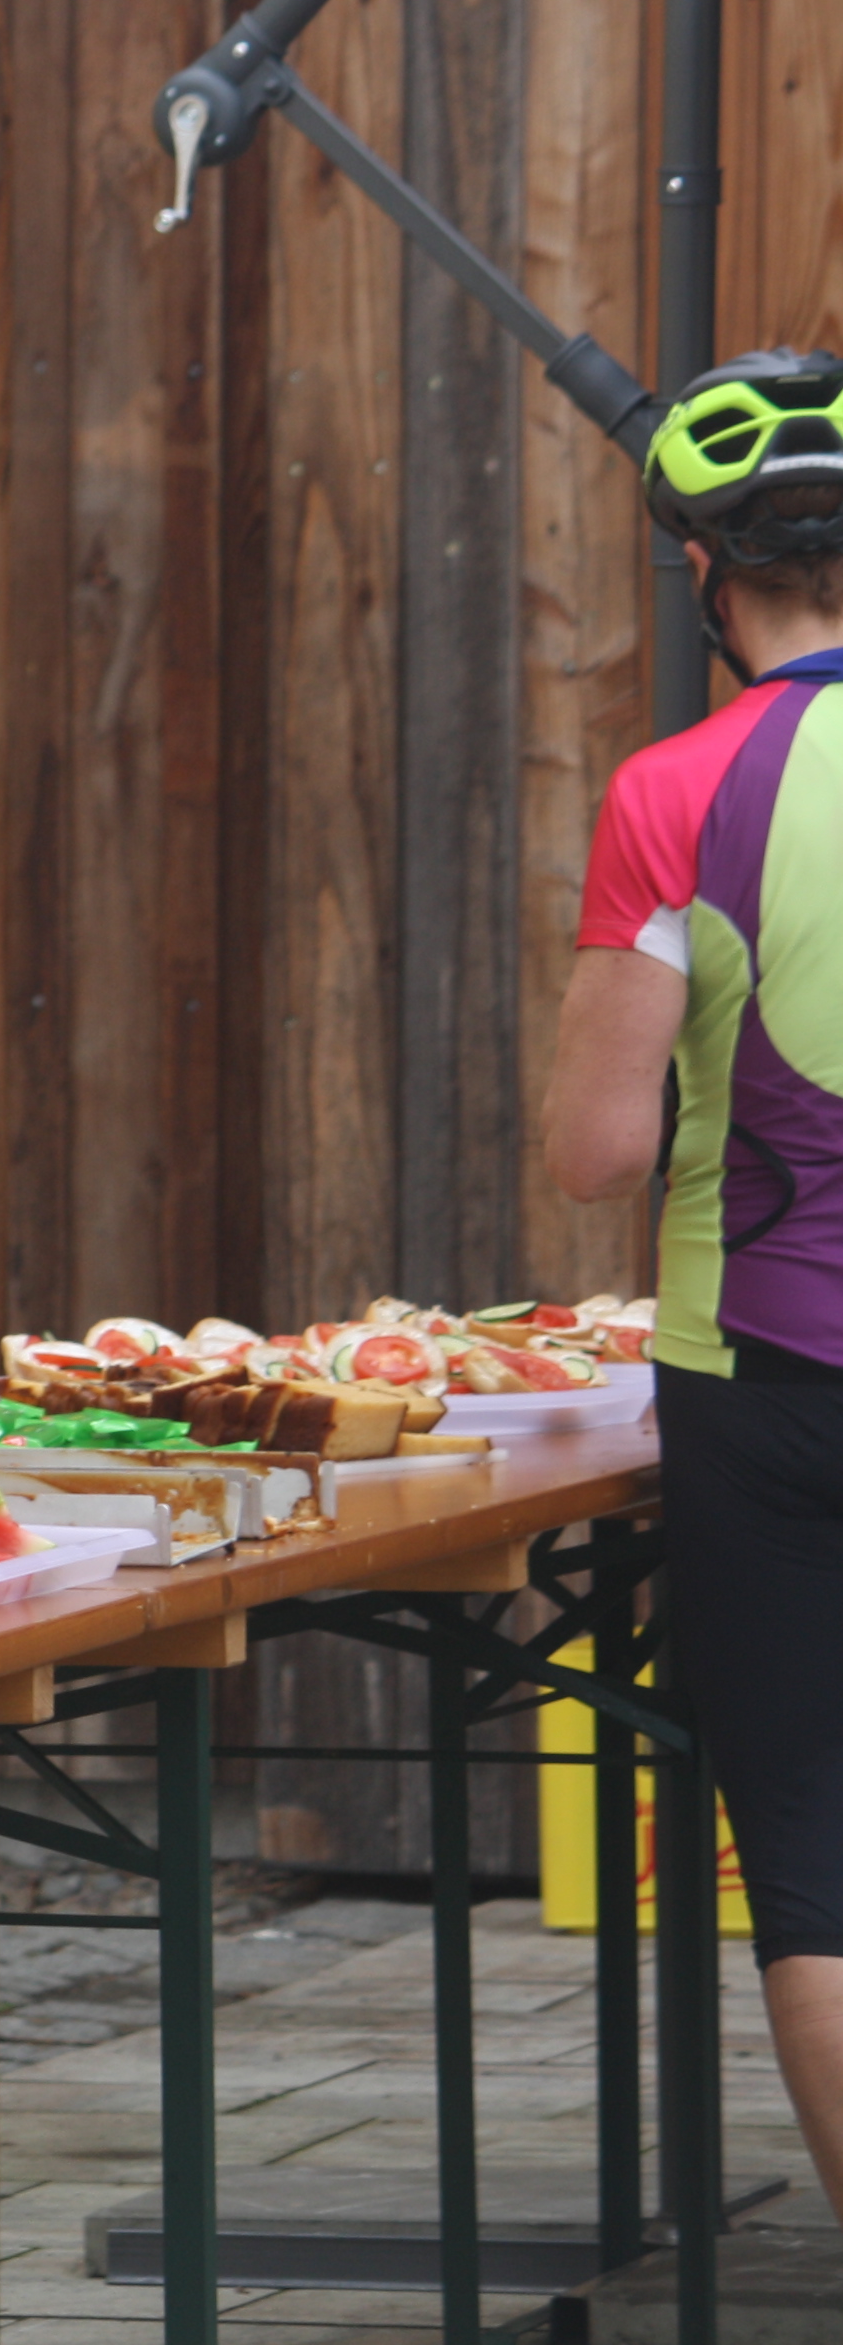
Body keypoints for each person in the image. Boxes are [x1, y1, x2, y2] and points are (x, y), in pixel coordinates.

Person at [545, 348, 843, 2224]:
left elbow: (595, 1150)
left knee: (818, 1862)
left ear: (706, 578)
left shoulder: (679, 789)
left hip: (767, 1379)